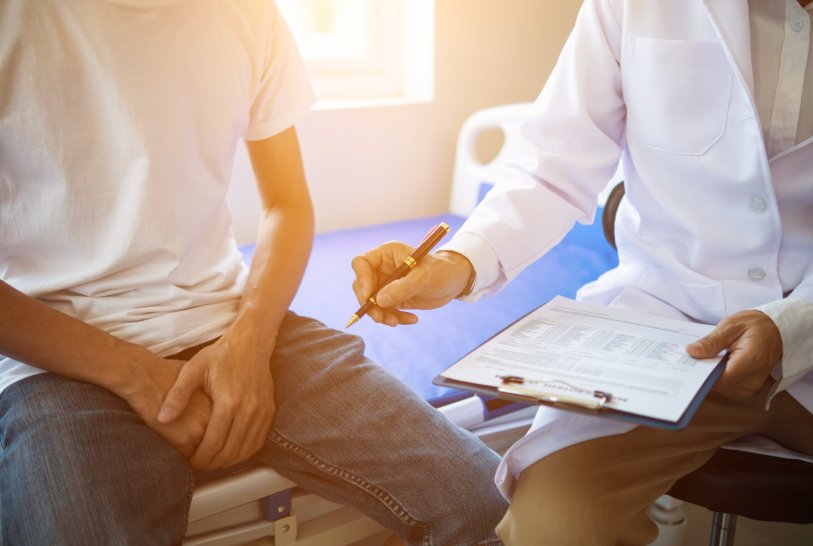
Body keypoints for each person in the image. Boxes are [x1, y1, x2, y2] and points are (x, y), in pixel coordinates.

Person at [0, 2, 509, 545]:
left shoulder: (246, 15)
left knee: (488, 506)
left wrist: (248, 344)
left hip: (237, 326)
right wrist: (137, 375)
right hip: (59, 364)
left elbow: (286, 203)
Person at [352, 0, 813, 544]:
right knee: (555, 524)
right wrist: (459, 263)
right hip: (667, 334)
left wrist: (797, 321)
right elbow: (553, 165)